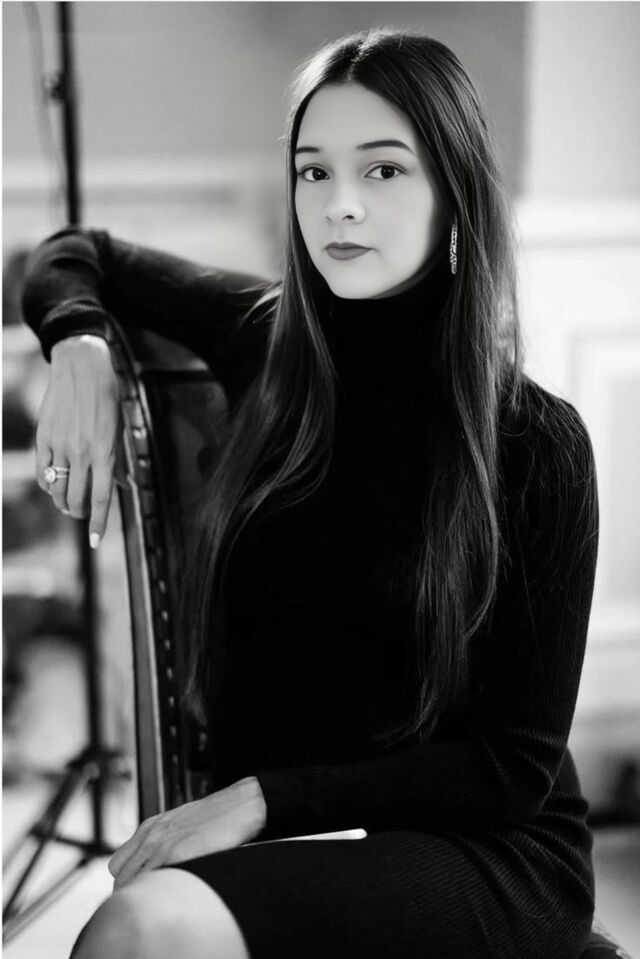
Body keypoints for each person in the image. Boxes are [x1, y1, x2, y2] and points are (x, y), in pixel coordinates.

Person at [22, 28, 599, 959]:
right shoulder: (265, 344)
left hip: (484, 853)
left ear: (456, 193)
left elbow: (511, 768)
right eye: (313, 172)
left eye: (383, 171)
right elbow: (73, 251)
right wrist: (80, 342)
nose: (340, 206)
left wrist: (261, 801)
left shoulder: (538, 441)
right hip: (300, 839)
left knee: (140, 930)